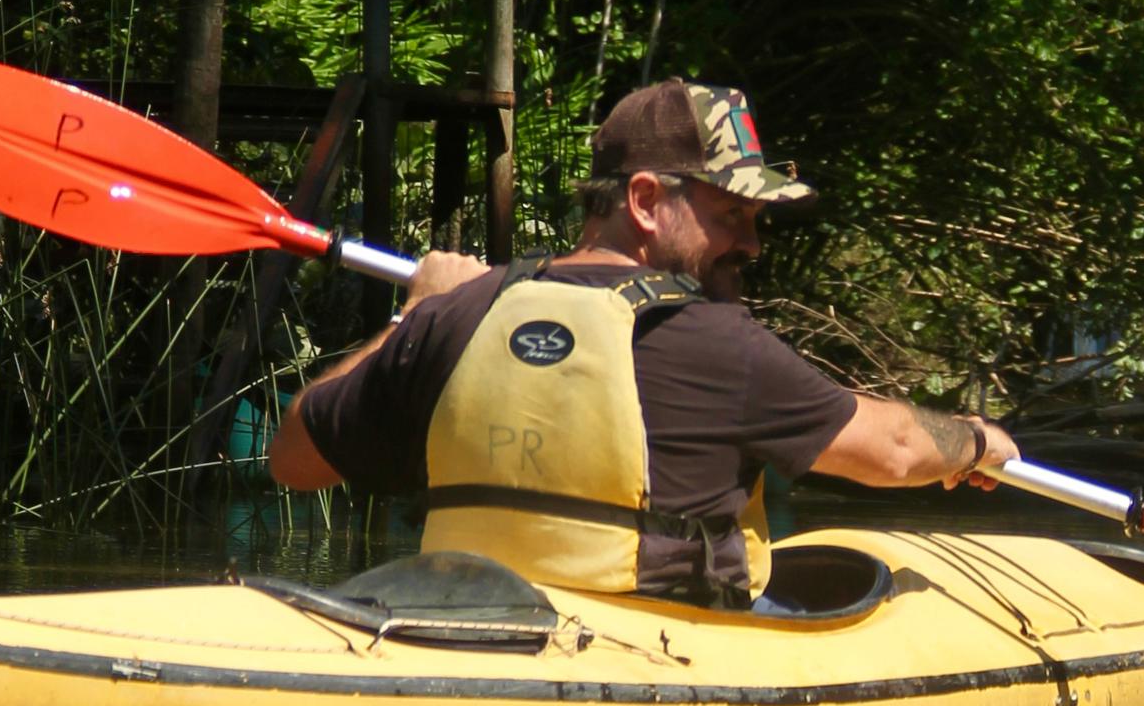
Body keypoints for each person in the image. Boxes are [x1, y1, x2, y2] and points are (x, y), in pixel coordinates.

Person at [270, 76, 1015, 606]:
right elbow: (895, 451)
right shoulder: (715, 343)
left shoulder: (458, 314)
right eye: (732, 215)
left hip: (458, 624)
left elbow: (292, 459)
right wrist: (976, 440)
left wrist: (412, 316)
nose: (752, 244)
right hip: (652, 651)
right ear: (647, 200)